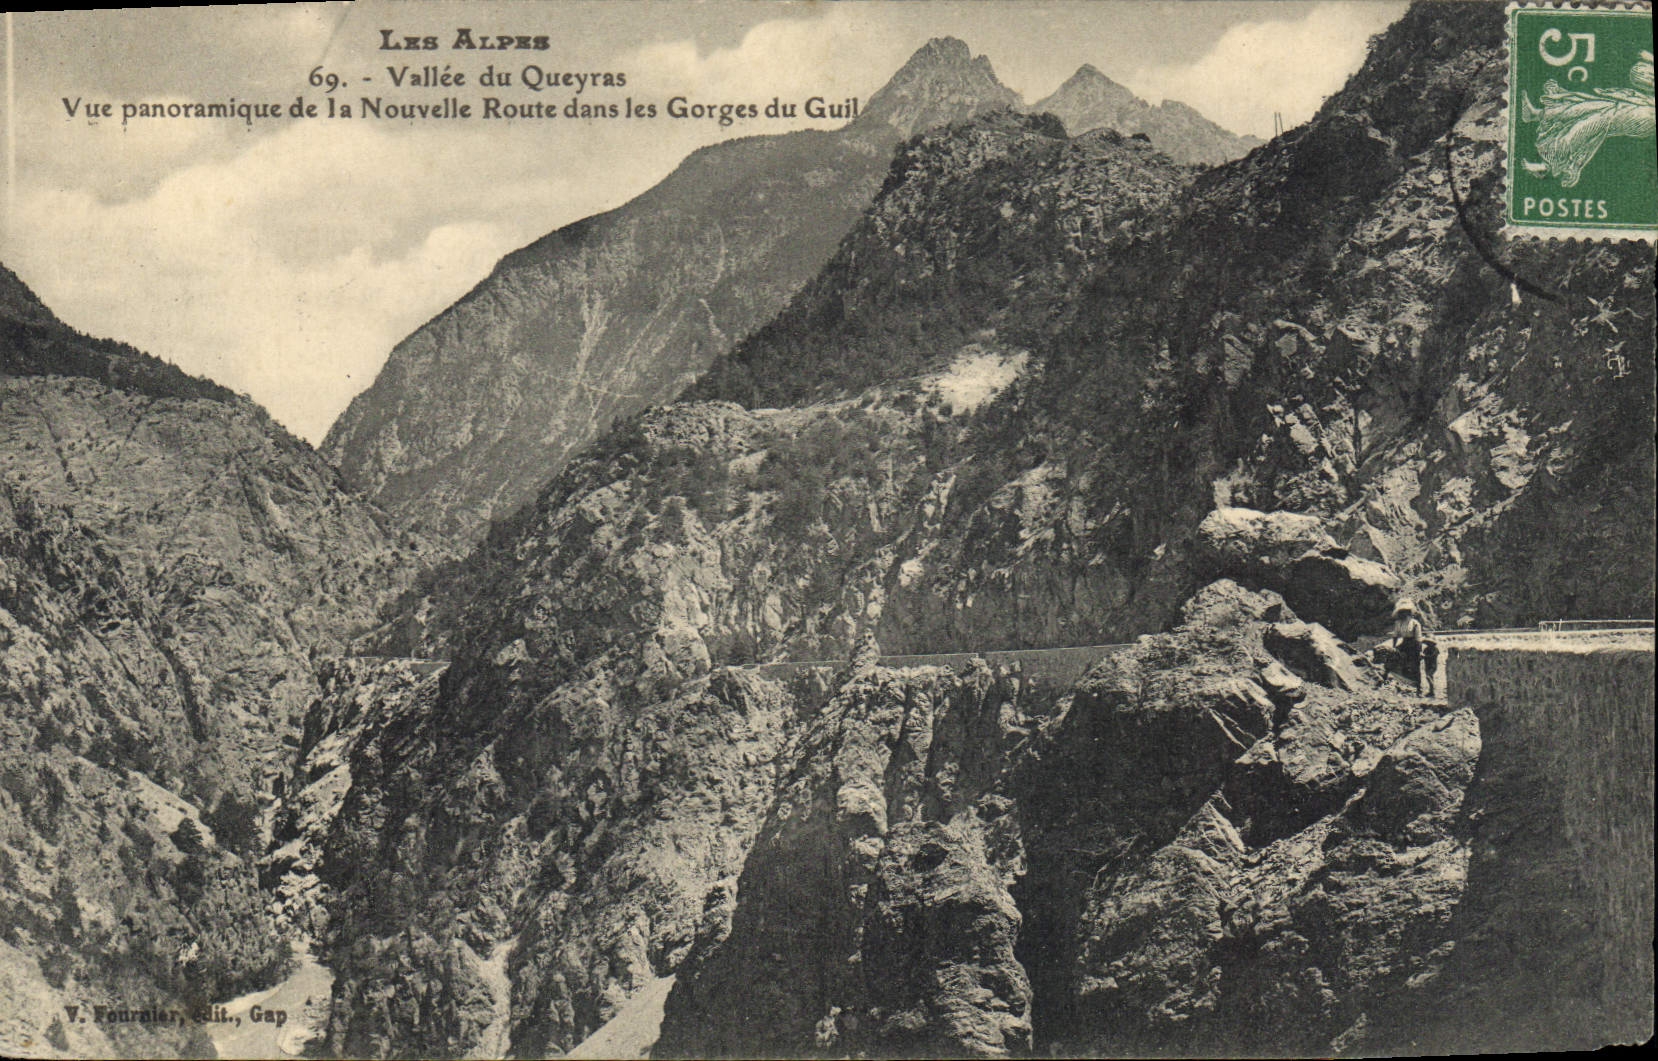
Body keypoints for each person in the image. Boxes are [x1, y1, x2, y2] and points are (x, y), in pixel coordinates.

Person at [1385, 598, 1436, 697]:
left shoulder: (1415, 623)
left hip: (1414, 645)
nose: (1404, 614)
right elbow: (1395, 635)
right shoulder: (1398, 623)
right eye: (1402, 611)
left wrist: (1419, 651)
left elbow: (1418, 639)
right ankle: (1391, 681)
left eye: (1406, 611)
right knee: (1392, 658)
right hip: (1404, 643)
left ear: (1409, 612)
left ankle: (1418, 689)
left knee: (1415, 666)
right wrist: (1394, 647)